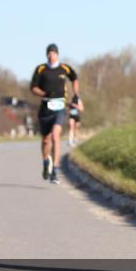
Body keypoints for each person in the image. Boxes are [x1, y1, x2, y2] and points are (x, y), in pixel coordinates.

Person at [30, 44, 80, 185]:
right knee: (46, 140)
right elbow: (33, 88)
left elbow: (75, 78)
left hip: (59, 108)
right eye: (49, 54)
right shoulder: (41, 69)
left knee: (56, 136)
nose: (51, 56)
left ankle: (55, 171)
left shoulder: (64, 68)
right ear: (47, 55)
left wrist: (76, 95)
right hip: (45, 108)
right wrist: (44, 93)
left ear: (57, 55)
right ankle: (46, 161)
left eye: (53, 53)